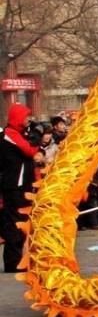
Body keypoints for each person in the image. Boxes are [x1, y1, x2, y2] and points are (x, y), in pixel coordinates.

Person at [0, 104, 40, 272]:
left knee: (22, 224)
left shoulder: (18, 134)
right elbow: (29, 150)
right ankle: (13, 262)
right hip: (13, 186)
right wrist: (36, 137)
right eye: (25, 117)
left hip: (21, 185)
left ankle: (19, 259)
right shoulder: (10, 134)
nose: (27, 120)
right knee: (15, 224)